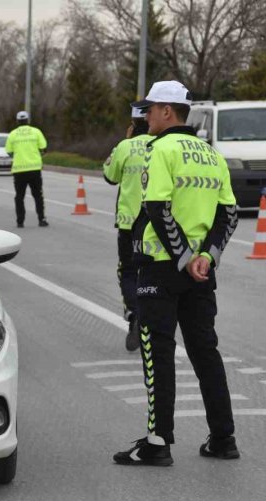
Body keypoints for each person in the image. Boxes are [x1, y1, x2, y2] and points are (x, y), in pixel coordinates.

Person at [113, 81, 239, 467]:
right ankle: (223, 438)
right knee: (206, 353)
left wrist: (184, 258)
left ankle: (157, 442)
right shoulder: (210, 154)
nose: (145, 116)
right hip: (201, 273)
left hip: (162, 269)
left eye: (150, 109)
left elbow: (156, 209)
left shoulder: (161, 149)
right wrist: (207, 258)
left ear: (167, 111)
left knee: (158, 354)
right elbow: (228, 214)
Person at [103, 107, 154, 352]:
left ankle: (135, 314)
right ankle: (155, 320)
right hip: (158, 222)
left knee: (129, 272)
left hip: (129, 222)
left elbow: (110, 176)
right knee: (154, 272)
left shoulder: (125, 146)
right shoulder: (163, 144)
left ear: (133, 124)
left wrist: (125, 142)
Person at [5, 110, 48, 228]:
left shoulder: (13, 134)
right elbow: (44, 148)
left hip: (19, 171)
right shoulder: (36, 132)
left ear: (17, 121)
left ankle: (20, 221)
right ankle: (41, 219)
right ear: (28, 120)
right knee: (38, 195)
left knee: (19, 197)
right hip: (34, 169)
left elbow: (9, 151)